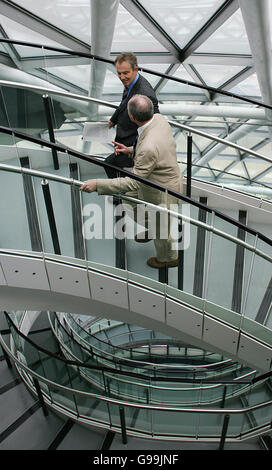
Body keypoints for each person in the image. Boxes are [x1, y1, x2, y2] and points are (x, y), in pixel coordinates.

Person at [80, 94, 183, 269]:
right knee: (129, 199)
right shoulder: (158, 119)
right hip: (159, 176)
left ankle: (168, 258)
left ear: (133, 117)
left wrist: (98, 184)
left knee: (161, 229)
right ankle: (152, 228)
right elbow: (152, 149)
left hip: (162, 189)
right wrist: (130, 150)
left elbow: (135, 181)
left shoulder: (149, 147)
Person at [104, 52, 159, 178]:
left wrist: (132, 149)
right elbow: (123, 103)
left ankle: (121, 195)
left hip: (131, 144)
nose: (122, 77)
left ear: (136, 69)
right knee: (115, 167)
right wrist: (113, 120)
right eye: (119, 73)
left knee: (109, 164)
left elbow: (152, 126)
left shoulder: (145, 94)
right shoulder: (131, 84)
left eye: (125, 73)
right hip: (124, 138)